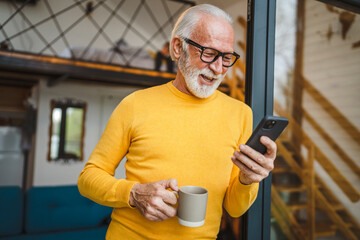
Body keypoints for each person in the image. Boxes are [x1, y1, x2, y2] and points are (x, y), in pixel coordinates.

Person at [78, 4, 277, 240]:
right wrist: (133, 193)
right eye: (209, 53)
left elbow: (234, 208)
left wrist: (248, 179)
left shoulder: (240, 114)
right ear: (177, 47)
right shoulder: (134, 104)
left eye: (226, 57)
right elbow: (88, 179)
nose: (218, 68)